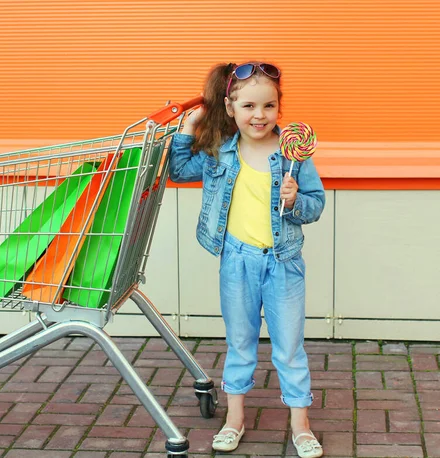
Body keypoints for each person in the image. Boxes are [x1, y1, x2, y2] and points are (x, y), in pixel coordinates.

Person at [168, 62, 325, 458]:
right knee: (240, 342)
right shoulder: (221, 152)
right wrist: (190, 127)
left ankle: (301, 425)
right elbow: (179, 169)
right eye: (249, 105)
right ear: (231, 106)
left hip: (283, 262)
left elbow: (315, 204)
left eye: (269, 106)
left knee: (289, 347)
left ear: (278, 108)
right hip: (237, 261)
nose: (259, 115)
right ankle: (234, 418)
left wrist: (295, 200)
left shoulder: (292, 156)